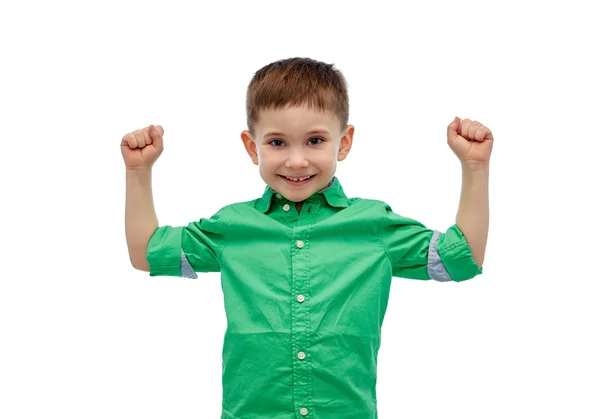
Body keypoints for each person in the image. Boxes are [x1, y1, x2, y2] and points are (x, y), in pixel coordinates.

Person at [122, 57, 493, 419]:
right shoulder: (233, 226)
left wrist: (474, 167)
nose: (297, 161)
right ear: (253, 147)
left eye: (315, 140)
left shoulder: (373, 224)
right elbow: (147, 253)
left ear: (343, 143)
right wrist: (139, 172)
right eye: (278, 143)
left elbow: (461, 259)